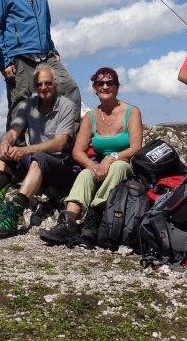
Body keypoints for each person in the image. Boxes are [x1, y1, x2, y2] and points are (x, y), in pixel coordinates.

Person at [39, 67, 144, 247]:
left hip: (125, 164)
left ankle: (93, 218)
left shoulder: (131, 112)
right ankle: (69, 221)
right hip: (99, 166)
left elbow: (136, 147)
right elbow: (78, 151)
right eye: (100, 83)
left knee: (118, 167)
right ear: (94, 88)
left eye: (109, 83)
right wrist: (91, 165)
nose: (105, 86)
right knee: (85, 174)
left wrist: (113, 157)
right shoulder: (90, 117)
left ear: (117, 87)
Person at [0, 65, 78, 238]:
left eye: (48, 83)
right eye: (39, 84)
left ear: (55, 84)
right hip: (36, 160)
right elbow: (14, 130)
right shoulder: (27, 104)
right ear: (34, 86)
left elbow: (60, 143)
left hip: (60, 164)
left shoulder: (67, 106)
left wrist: (25, 150)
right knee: (6, 156)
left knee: (38, 158)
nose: (43, 88)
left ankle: (13, 214)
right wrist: (5, 143)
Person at [0, 0, 81, 123]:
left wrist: (52, 48)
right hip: (19, 57)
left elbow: (45, 23)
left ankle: (70, 136)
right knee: (20, 101)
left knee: (69, 87)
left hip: (46, 54)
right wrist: (4, 62)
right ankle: (17, 147)